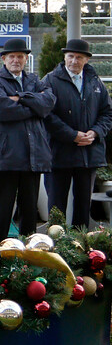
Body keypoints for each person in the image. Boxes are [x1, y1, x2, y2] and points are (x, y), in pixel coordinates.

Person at [0, 38, 54, 245]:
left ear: (26, 59)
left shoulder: (35, 80)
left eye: (20, 56)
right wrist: (33, 104)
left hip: (33, 157)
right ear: (4, 59)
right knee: (2, 210)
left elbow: (48, 103)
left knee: (30, 212)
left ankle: (28, 255)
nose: (16, 60)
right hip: (6, 157)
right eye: (12, 56)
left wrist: (19, 97)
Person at [42, 39, 112, 227]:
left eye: (79, 57)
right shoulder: (49, 80)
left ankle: (81, 248)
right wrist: (72, 135)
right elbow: (46, 114)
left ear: (87, 60)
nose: (74, 61)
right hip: (59, 154)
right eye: (70, 56)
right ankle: (55, 248)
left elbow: (107, 112)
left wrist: (95, 133)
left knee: (83, 207)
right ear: (64, 57)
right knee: (56, 209)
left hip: (88, 155)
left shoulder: (95, 81)